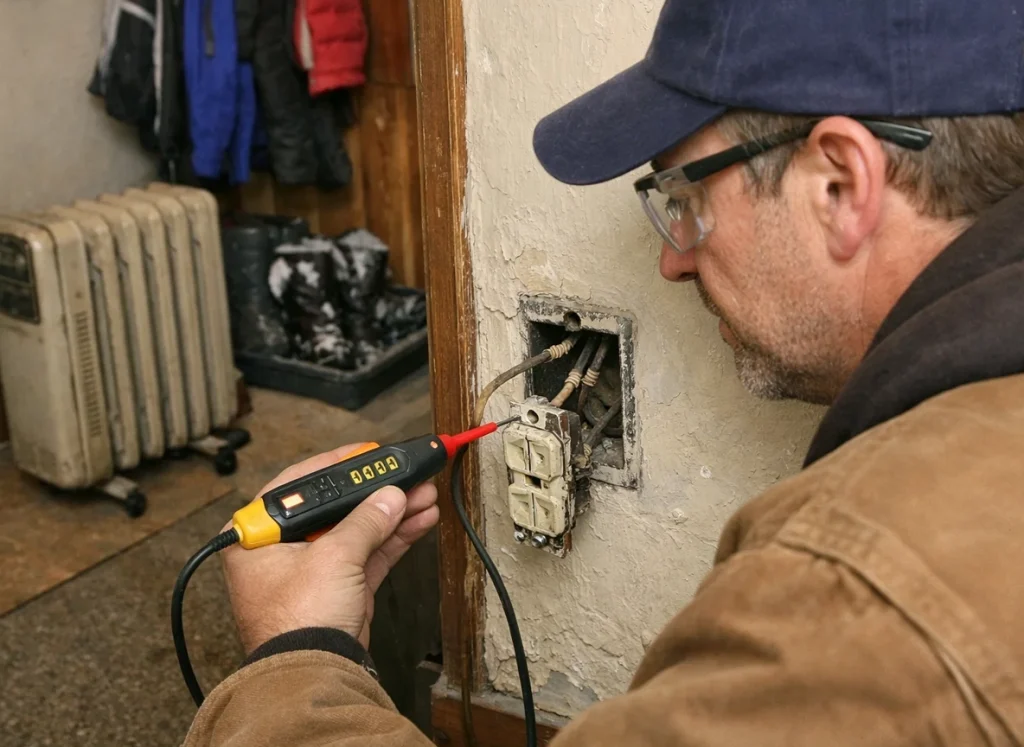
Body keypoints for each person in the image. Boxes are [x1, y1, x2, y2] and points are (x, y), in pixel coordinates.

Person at [184, 0, 1024, 744]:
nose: (671, 262)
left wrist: (296, 661)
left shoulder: (859, 604)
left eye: (685, 201)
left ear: (840, 183)